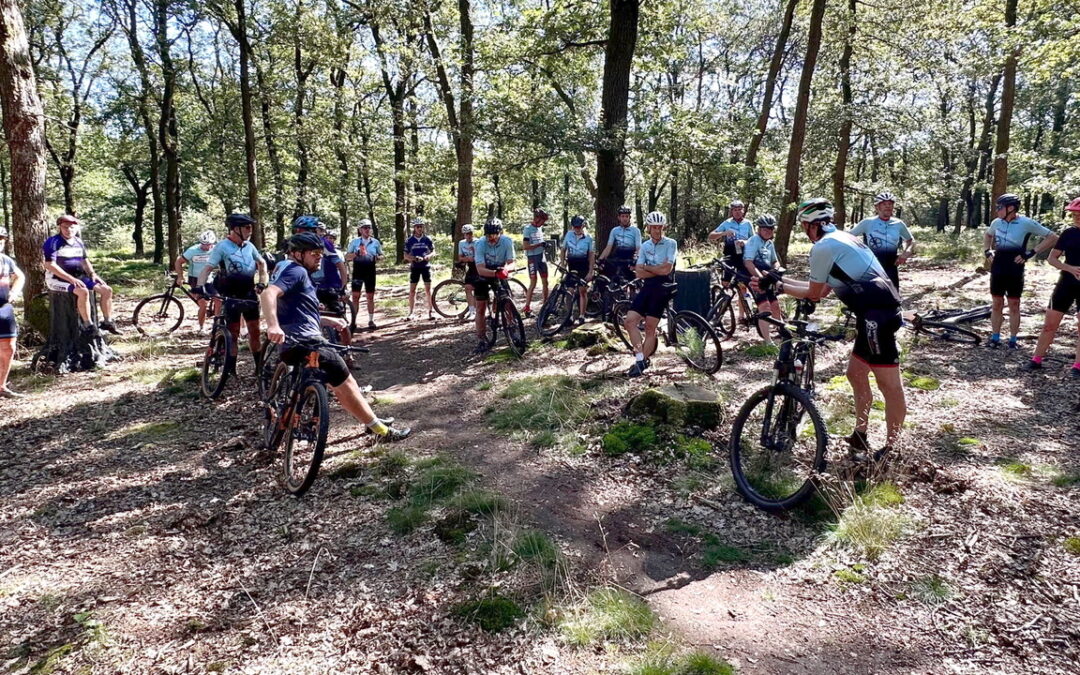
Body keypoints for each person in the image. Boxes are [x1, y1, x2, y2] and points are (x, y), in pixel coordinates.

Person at [765, 198, 905, 460]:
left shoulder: (824, 247)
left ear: (813, 225)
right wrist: (779, 280)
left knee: (890, 385)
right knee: (856, 373)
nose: (804, 231)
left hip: (878, 316)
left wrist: (779, 287)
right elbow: (824, 287)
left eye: (804, 226)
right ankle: (860, 435)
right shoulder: (841, 238)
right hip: (872, 314)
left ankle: (892, 450)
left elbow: (815, 294)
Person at [262, 232, 409, 441]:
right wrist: (272, 326)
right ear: (296, 253)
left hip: (292, 342)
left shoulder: (286, 269)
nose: (319, 257)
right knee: (344, 380)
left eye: (320, 253)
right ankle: (380, 430)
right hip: (307, 342)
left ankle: (370, 418)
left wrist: (328, 320)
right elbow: (268, 294)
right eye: (314, 253)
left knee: (334, 378)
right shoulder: (296, 272)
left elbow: (297, 312)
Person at [983, 193, 1059, 349]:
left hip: (1015, 267)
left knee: (1014, 304)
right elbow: (988, 234)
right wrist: (987, 251)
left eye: (1000, 207)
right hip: (998, 266)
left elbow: (1052, 237)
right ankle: (995, 337)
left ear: (1011, 208)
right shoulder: (997, 222)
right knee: (997, 303)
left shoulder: (1025, 223)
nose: (997, 210)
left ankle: (1012, 340)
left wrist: (1031, 253)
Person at [198, 213, 267, 369]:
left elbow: (262, 263)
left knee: (255, 332)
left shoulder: (249, 246)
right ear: (236, 229)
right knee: (233, 334)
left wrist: (262, 282)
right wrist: (201, 286)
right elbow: (208, 268)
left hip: (249, 294)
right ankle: (230, 370)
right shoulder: (222, 246)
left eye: (251, 227)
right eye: (247, 227)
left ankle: (259, 369)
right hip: (231, 296)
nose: (251, 231)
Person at [1023, 197, 1080, 377]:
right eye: (1073, 214)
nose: (1076, 217)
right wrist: (1069, 268)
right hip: (1066, 283)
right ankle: (1036, 359)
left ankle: (1077, 366)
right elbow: (1052, 258)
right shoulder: (1068, 233)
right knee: (1049, 324)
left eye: (1079, 214)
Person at [42, 214, 120, 334]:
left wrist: (92, 273)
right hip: (58, 279)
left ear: (77, 228)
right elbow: (49, 265)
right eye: (65, 227)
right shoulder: (53, 242)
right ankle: (88, 325)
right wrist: (70, 279)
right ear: (60, 228)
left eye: (72, 227)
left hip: (79, 276)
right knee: (82, 292)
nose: (69, 230)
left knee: (107, 290)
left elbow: (84, 260)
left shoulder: (78, 241)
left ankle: (107, 322)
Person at [624, 212, 677, 378]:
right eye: (654, 227)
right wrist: (654, 270)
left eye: (659, 227)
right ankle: (640, 356)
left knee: (649, 327)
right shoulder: (645, 246)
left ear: (663, 227)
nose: (657, 230)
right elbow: (639, 273)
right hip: (647, 287)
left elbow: (666, 270)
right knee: (629, 321)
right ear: (648, 228)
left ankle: (642, 362)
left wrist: (647, 267)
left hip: (663, 287)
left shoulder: (671, 243)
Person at [850, 191, 915, 290]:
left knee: (893, 296)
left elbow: (910, 240)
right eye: (884, 204)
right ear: (877, 207)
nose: (888, 206)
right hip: (872, 265)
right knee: (872, 295)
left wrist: (906, 253)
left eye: (890, 204)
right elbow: (848, 237)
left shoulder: (898, 223)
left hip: (891, 264)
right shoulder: (867, 222)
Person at [471, 219, 517, 355]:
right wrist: (494, 273)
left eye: (494, 235)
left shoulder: (507, 241)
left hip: (500, 270)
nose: (491, 238)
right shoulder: (480, 244)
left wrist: (506, 269)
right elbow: (479, 269)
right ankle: (481, 339)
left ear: (500, 233)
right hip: (484, 273)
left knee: (508, 301)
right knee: (480, 306)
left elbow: (512, 262)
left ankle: (512, 329)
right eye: (488, 235)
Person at [742, 214, 782, 345]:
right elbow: (748, 263)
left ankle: (781, 331)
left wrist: (775, 270)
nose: (768, 231)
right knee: (764, 307)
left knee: (775, 305)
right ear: (759, 229)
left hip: (767, 277)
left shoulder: (769, 243)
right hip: (753, 277)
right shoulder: (754, 241)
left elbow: (775, 261)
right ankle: (767, 341)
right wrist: (761, 278)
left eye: (771, 229)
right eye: (765, 229)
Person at [174, 230, 219, 331]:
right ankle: (201, 327)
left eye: (209, 245)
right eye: (204, 244)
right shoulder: (192, 250)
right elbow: (178, 261)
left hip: (209, 279)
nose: (206, 247)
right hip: (195, 279)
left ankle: (217, 325)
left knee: (218, 300)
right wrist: (180, 276)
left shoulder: (216, 250)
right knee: (203, 303)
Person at [0, 227, 26, 398]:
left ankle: (1, 386)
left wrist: (15, 292)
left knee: (8, 347)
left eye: (1, 240)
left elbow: (20, 276)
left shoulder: (5, 260)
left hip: (4, 309)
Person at [345, 219, 384, 331]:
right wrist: (356, 254)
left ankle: (371, 320)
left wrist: (377, 257)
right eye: (365, 228)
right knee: (355, 296)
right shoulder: (354, 242)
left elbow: (382, 256)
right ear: (360, 230)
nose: (367, 230)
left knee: (370, 296)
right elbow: (347, 257)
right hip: (358, 270)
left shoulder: (375, 242)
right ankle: (353, 321)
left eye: (369, 227)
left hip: (370, 270)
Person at [561, 215, 596, 323]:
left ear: (583, 226)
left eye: (579, 227)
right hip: (572, 266)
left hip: (583, 266)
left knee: (582, 291)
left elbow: (591, 255)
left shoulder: (589, 238)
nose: (577, 229)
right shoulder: (569, 235)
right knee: (569, 291)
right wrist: (562, 264)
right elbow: (563, 250)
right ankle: (569, 316)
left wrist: (591, 271)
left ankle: (581, 315)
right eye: (575, 227)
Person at [598, 205, 641, 283]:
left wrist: (636, 259)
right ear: (619, 218)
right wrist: (600, 259)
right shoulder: (614, 230)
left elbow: (638, 248)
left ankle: (632, 293)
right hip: (618, 256)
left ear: (629, 217)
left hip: (630, 256)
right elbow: (608, 248)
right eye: (622, 216)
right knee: (605, 274)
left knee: (632, 280)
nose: (624, 218)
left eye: (627, 216)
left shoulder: (636, 231)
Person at [404, 218, 435, 320]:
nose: (419, 228)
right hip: (415, 267)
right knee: (412, 290)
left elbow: (433, 252)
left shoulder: (427, 239)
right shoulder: (409, 240)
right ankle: (411, 312)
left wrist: (428, 257)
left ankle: (431, 311)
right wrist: (414, 258)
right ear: (414, 228)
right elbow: (405, 256)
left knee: (428, 290)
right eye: (417, 226)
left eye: (421, 226)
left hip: (426, 267)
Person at [522, 208, 551, 314]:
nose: (542, 224)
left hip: (541, 258)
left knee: (545, 282)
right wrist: (539, 244)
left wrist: (544, 244)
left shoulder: (539, 228)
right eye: (542, 221)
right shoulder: (527, 229)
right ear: (537, 219)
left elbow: (539, 241)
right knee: (533, 283)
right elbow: (525, 246)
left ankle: (546, 304)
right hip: (532, 259)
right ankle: (527, 306)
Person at [457, 224, 478, 320]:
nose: (468, 236)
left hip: (479, 266)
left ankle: (481, 311)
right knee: (468, 288)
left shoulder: (478, 242)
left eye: (470, 233)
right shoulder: (461, 243)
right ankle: (472, 311)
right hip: (471, 267)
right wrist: (467, 259)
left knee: (479, 289)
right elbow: (460, 257)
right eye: (466, 234)